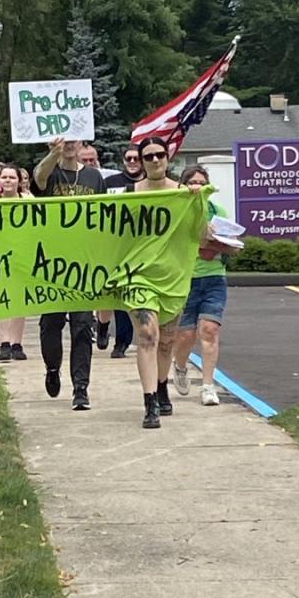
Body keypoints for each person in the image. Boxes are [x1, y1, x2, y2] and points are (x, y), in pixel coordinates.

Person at [33, 137, 106, 410]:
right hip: (52, 263)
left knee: (82, 327)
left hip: (84, 264)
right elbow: (38, 179)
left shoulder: (93, 177)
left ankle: (81, 388)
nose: (70, 144)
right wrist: (53, 153)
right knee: (51, 325)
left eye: (74, 139)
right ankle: (53, 368)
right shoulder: (48, 171)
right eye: (65, 141)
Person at [129, 137, 185, 429]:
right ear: (140, 160)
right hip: (137, 276)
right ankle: (149, 401)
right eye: (147, 156)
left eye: (159, 155)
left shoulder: (184, 194)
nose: (154, 160)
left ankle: (162, 384)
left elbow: (199, 232)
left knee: (166, 341)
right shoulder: (128, 194)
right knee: (148, 335)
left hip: (172, 276)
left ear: (168, 157)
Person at [173, 166, 230, 406]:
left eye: (201, 182)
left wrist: (215, 241)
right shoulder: (178, 212)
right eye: (192, 182)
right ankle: (180, 366)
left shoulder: (218, 212)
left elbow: (231, 245)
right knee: (186, 335)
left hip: (214, 277)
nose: (197, 186)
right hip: (186, 278)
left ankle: (208, 386)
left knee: (209, 330)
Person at [105, 145, 144, 357]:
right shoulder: (111, 184)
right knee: (121, 298)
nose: (132, 162)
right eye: (128, 158)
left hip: (145, 248)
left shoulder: (154, 185)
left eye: (136, 158)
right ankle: (120, 342)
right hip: (118, 248)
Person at [0, 164, 28, 362]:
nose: (8, 180)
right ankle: (4, 342)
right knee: (1, 299)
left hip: (21, 255)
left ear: (19, 181)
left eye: (12, 177)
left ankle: (17, 343)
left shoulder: (28, 201)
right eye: (4, 177)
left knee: (19, 302)